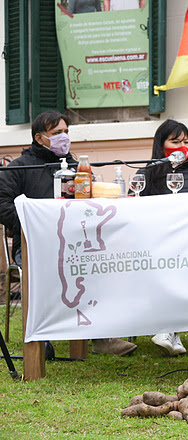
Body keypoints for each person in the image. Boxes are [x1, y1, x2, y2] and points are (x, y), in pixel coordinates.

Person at [0, 110, 137, 357]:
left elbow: (92, 204)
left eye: (66, 132)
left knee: (102, 265)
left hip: (78, 244)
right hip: (33, 245)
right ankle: (42, 336)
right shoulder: (19, 168)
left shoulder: (76, 167)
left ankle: (101, 336)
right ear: (40, 138)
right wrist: (34, 224)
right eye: (56, 133)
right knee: (46, 272)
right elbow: (1, 204)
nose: (64, 137)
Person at [136, 119, 188, 355]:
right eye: (175, 141)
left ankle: (168, 328)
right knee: (164, 259)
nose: (182, 146)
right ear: (161, 145)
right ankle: (171, 330)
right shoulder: (147, 173)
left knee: (177, 261)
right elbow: (136, 210)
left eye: (186, 141)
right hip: (154, 243)